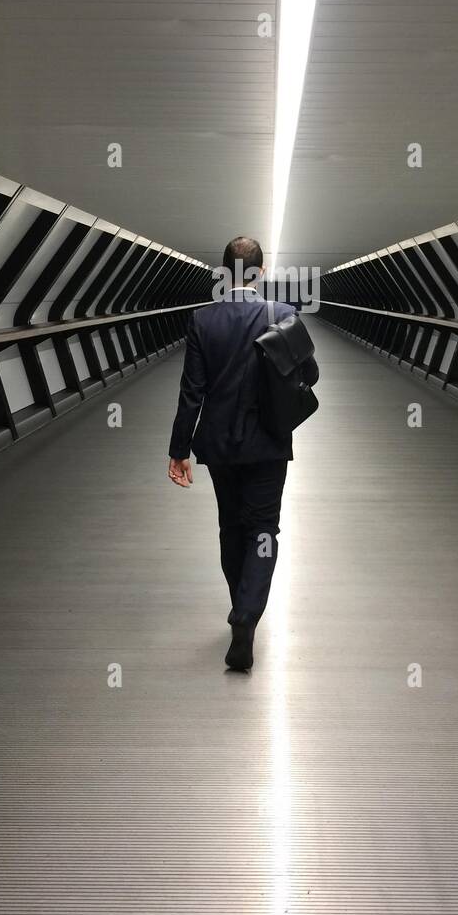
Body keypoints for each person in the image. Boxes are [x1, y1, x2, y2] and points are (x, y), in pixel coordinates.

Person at [167, 236, 319, 672]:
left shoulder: (202, 320)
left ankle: (241, 603)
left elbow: (191, 392)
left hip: (219, 445)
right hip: (269, 442)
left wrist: (179, 451)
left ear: (223, 272)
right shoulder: (284, 315)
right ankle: (246, 615)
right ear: (262, 271)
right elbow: (310, 372)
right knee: (264, 529)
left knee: (230, 526)